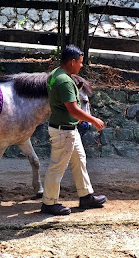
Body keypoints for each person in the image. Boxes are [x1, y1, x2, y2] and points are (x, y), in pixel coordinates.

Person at [41, 45, 107, 215]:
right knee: (57, 167)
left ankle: (86, 195)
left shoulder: (56, 74)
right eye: (80, 62)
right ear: (71, 62)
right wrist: (93, 120)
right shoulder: (64, 81)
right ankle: (49, 202)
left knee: (80, 160)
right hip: (64, 131)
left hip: (67, 128)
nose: (81, 65)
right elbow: (73, 109)